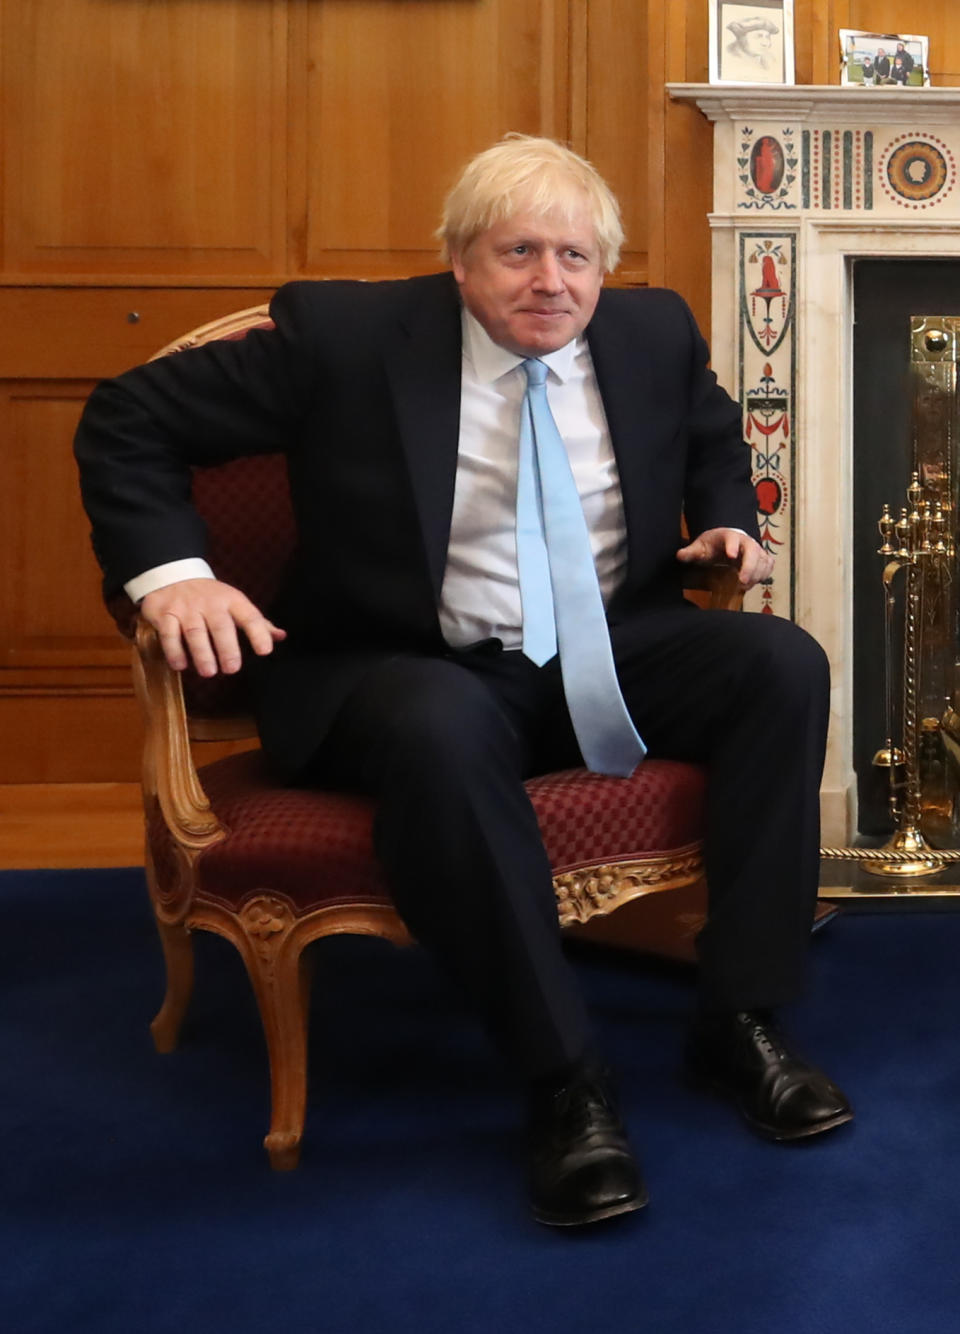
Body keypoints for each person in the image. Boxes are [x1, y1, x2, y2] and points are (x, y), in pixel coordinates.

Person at [75, 135, 852, 1228]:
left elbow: (713, 434)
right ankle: (562, 1077)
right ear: (459, 260)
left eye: (576, 256)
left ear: (605, 268)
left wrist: (729, 515)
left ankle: (743, 1018)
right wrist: (177, 577)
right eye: (519, 251)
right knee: (440, 721)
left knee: (779, 662)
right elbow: (127, 416)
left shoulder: (652, 330)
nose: (550, 280)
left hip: (601, 645)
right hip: (398, 660)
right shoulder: (342, 338)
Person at [723, 15, 780, 80]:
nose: (766, 43)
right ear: (742, 39)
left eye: (767, 37)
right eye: (758, 36)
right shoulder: (729, 60)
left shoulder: (770, 61)